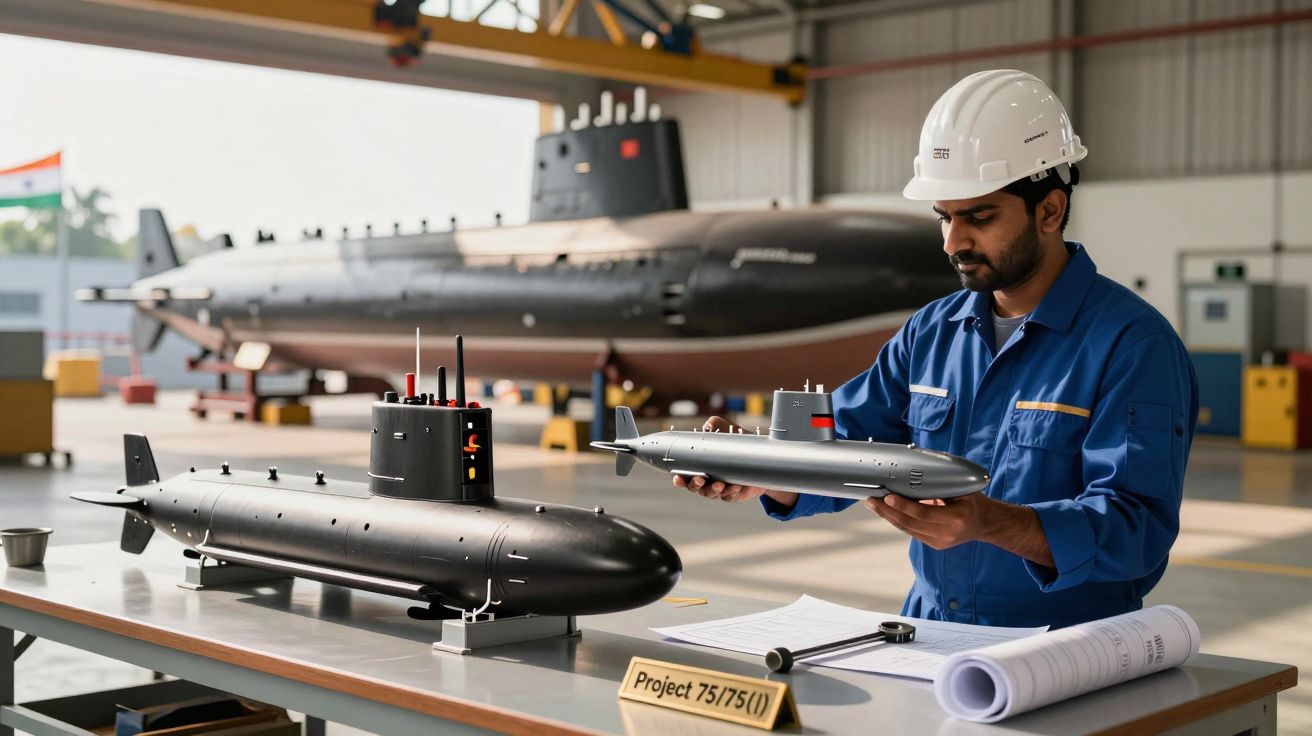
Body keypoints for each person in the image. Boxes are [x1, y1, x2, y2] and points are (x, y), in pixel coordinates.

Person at [675, 69, 1199, 629]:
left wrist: (989, 523)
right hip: (931, 635)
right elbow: (849, 443)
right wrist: (762, 470)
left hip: (1065, 651)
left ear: (1049, 211)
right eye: (945, 218)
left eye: (979, 217)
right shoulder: (932, 331)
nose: (953, 242)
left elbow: (1135, 528)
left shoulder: (1132, 346)